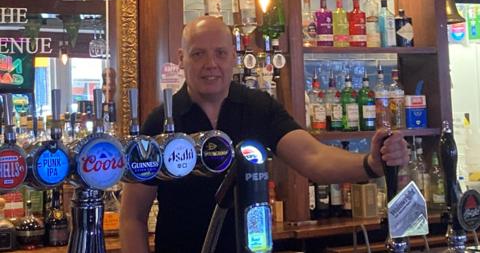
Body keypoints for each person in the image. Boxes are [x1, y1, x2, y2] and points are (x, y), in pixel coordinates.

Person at [119, 16, 408, 253]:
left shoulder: (258, 107)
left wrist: (370, 164)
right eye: (198, 54)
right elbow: (133, 216)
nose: (211, 64)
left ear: (234, 56)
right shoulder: (162, 121)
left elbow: (313, 157)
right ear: (182, 59)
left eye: (220, 52)